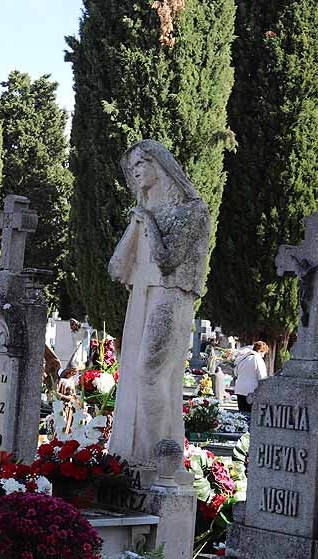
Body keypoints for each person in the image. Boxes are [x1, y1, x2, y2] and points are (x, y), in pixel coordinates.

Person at [107, 139, 212, 466]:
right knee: (137, 375)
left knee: (149, 372)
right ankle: (135, 458)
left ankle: (161, 459)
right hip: (143, 296)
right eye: (132, 167)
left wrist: (146, 221)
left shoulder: (192, 210)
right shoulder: (147, 210)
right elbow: (115, 268)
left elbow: (169, 259)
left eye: (142, 163)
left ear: (161, 165)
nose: (136, 171)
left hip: (171, 295)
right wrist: (139, 221)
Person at [233, 341, 269, 413]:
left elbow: (236, 373)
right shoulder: (258, 359)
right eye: (264, 353)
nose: (263, 356)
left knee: (242, 414)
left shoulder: (242, 358)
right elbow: (262, 378)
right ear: (261, 351)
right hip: (251, 391)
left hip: (239, 389)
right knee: (250, 415)